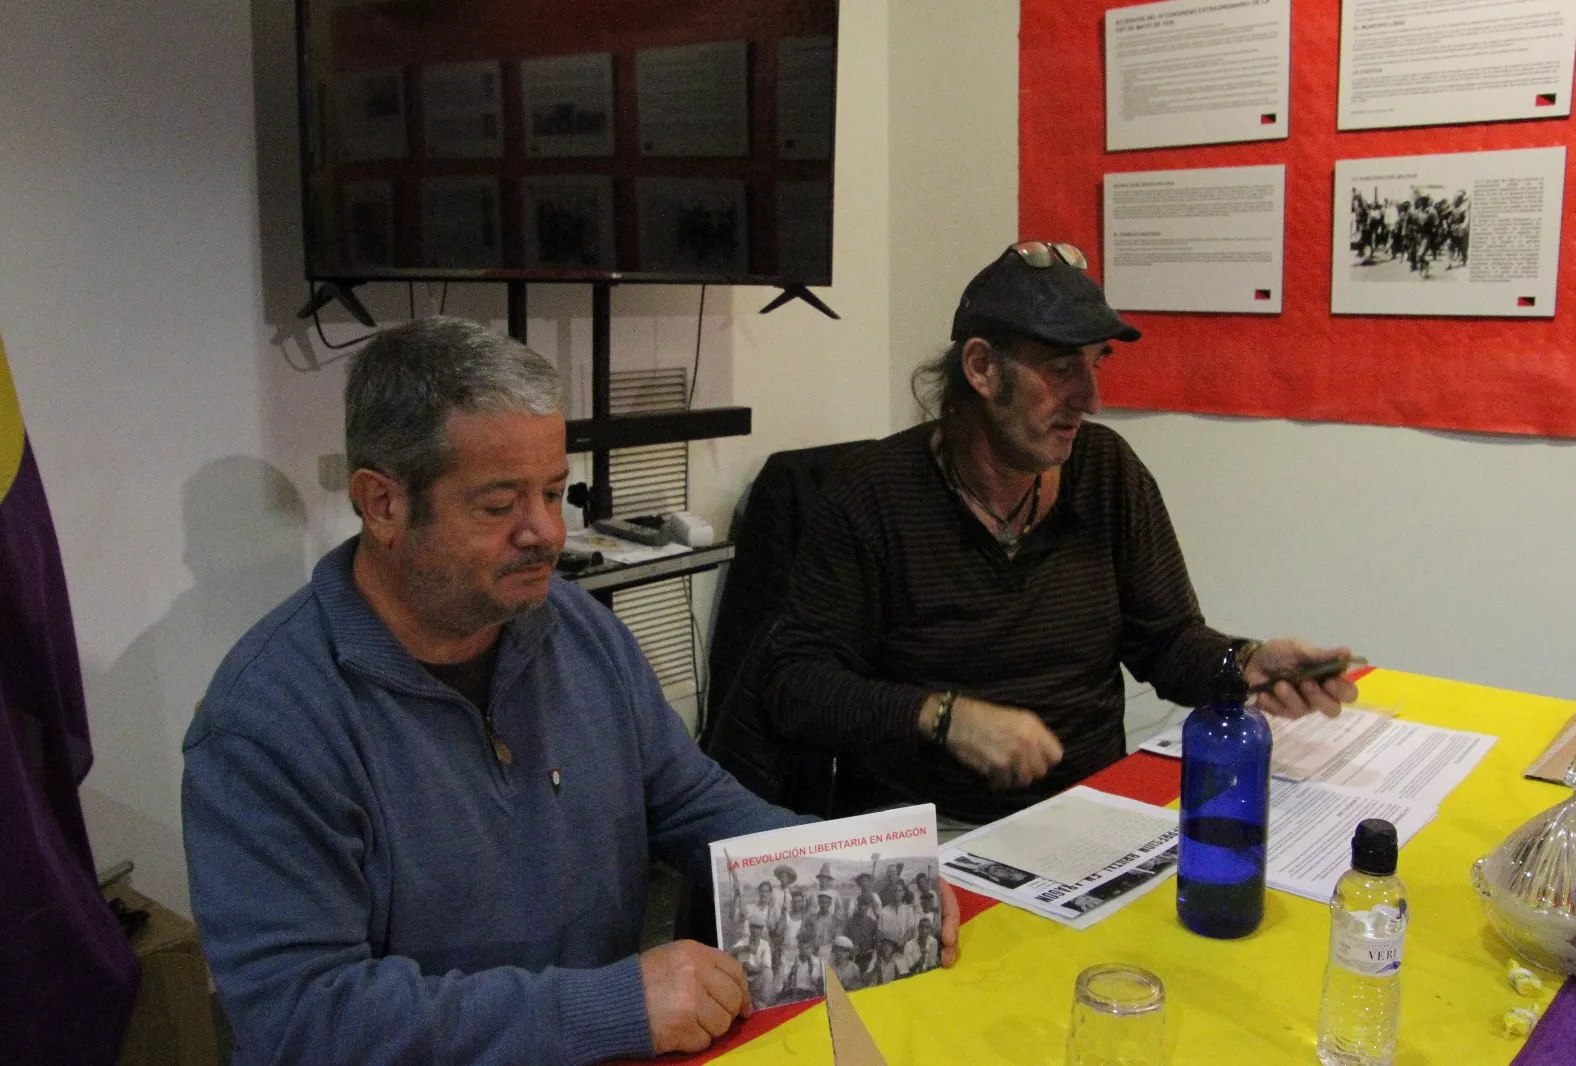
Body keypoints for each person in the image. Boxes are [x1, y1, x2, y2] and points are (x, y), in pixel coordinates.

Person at [180, 317, 959, 1063]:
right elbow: (306, 1020)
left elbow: (692, 803)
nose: (547, 533)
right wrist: (611, 1008)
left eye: (555, 492)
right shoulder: (267, 721)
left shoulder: (574, 629)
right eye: (500, 504)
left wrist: (869, 878)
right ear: (383, 504)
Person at [764, 242, 1357, 827]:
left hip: (1088, 811)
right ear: (980, 368)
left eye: (1096, 363)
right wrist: (947, 718)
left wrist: (1245, 662)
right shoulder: (874, 494)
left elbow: (1166, 641)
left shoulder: (1104, 470)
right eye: (1060, 368)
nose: (1092, 399)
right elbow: (796, 684)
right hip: (935, 827)